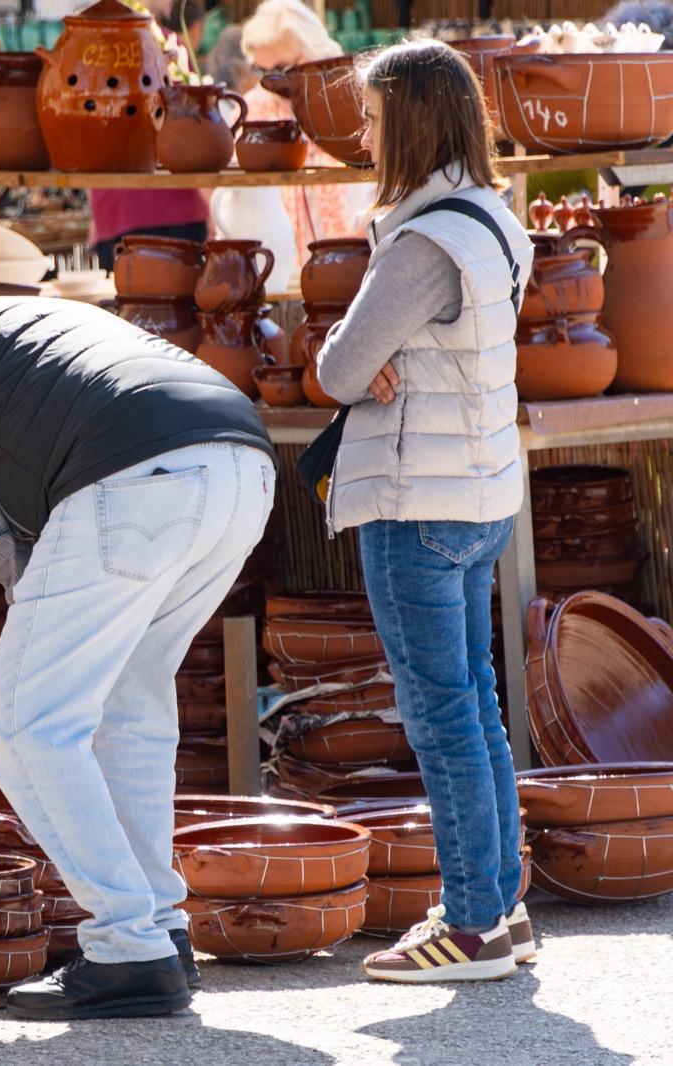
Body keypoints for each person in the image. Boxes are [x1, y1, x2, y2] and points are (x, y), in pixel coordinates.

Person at [0, 296, 276, 1019]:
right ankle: (160, 930)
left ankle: (127, 945)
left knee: (24, 722)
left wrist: (25, 651)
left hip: (142, 474)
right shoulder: (10, 328)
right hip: (243, 467)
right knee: (129, 708)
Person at [314, 40, 536, 983]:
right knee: (475, 706)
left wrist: (359, 357)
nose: (363, 139)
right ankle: (502, 908)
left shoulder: (420, 245)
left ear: (409, 125)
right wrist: (377, 358)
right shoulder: (493, 222)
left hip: (417, 505)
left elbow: (337, 370)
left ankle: (472, 924)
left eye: (371, 120)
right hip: (479, 495)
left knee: (443, 719)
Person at [237, 0, 372, 262]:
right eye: (261, 71)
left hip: (350, 257)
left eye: (281, 69)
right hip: (274, 261)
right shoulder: (249, 110)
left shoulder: (351, 100)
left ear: (313, 53)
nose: (270, 83)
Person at [89, 0, 209, 270]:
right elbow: (191, 130)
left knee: (129, 294)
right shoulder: (169, 47)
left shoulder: (89, 51)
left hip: (118, 207)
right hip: (175, 206)